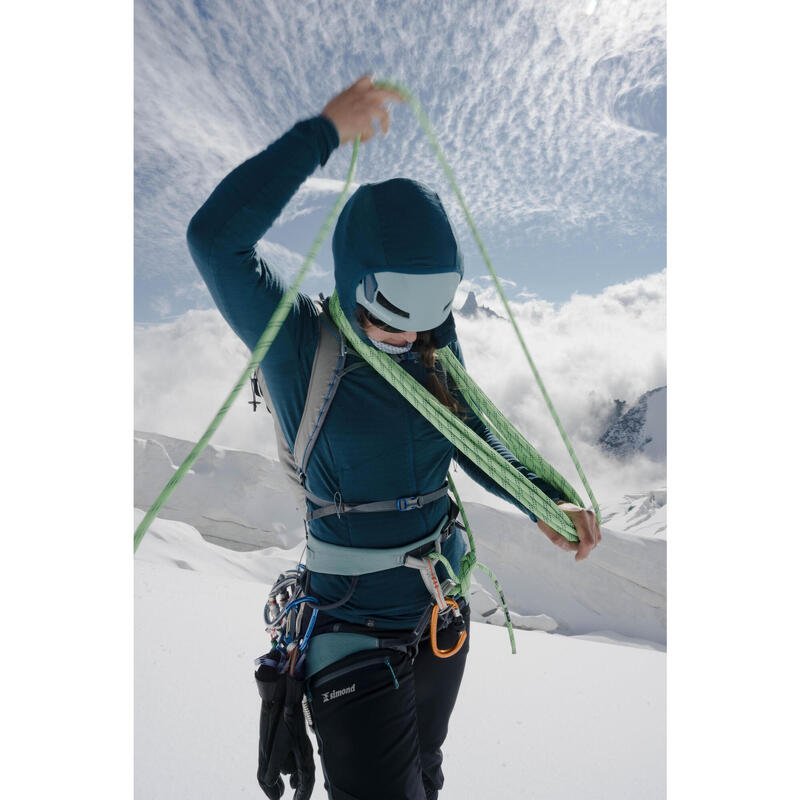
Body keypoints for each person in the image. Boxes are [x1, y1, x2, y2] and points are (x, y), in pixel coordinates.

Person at [187, 75, 600, 800]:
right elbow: (214, 240)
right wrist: (321, 132)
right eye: (390, 311)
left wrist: (542, 501)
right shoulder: (301, 346)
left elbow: (470, 437)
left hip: (441, 611)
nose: (407, 333)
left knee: (425, 777)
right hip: (348, 625)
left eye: (429, 310)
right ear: (353, 284)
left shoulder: (432, 346)